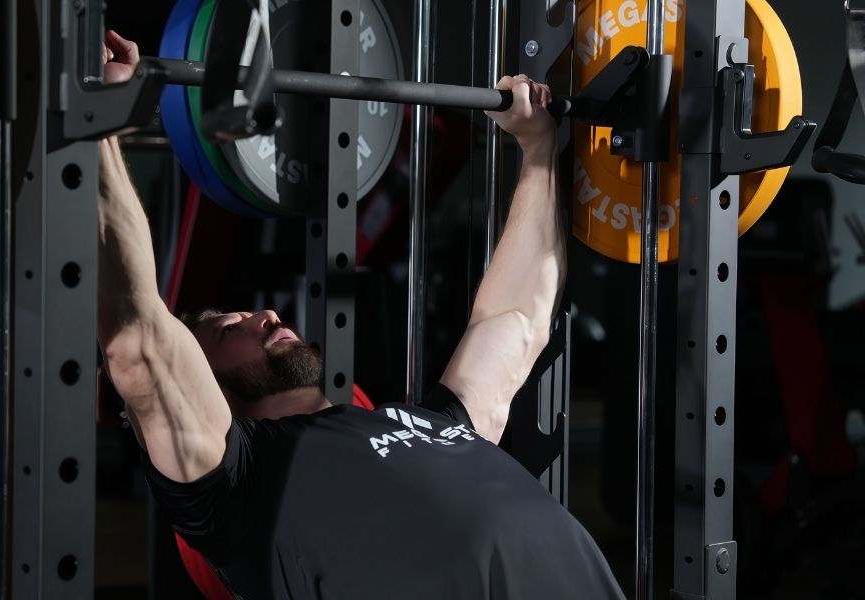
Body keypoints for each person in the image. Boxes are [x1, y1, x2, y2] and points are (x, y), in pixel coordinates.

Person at [96, 30, 622, 599]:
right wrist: (99, 118)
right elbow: (139, 336)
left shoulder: (429, 423)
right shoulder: (238, 485)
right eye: (228, 329)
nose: (264, 315)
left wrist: (538, 148)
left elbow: (517, 317)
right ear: (201, 382)